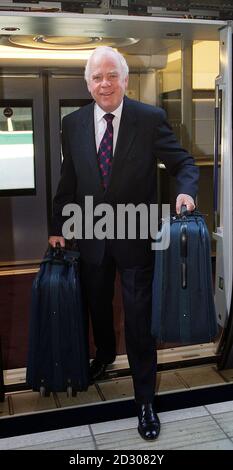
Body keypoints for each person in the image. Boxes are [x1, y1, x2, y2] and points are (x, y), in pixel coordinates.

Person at [49, 46, 199, 441]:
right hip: (92, 234)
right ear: (87, 83)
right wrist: (57, 225)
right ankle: (103, 355)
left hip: (136, 235)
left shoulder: (149, 120)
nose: (104, 84)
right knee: (97, 304)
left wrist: (185, 192)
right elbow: (69, 180)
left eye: (111, 76)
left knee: (137, 319)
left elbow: (183, 163)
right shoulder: (73, 123)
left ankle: (145, 400)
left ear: (125, 79)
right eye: (97, 78)